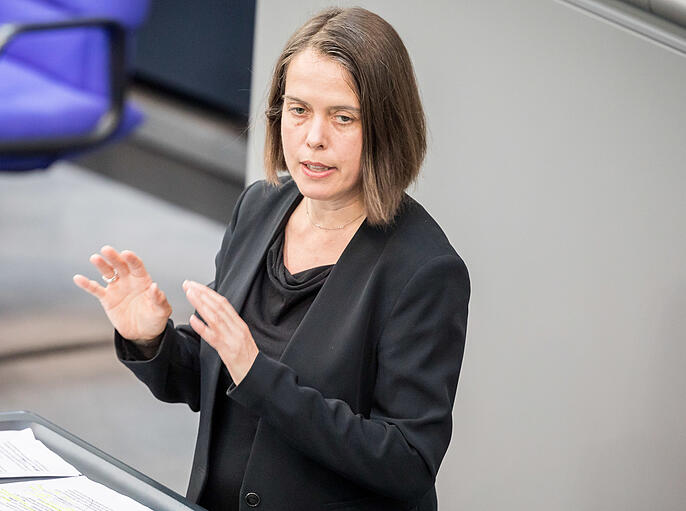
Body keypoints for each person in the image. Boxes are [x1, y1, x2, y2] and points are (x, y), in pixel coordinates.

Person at [73, 7, 470, 510]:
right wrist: (151, 338)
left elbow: (407, 462)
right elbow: (212, 377)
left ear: (387, 128)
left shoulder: (425, 271)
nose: (313, 137)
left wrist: (258, 373)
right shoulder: (258, 207)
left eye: (342, 117)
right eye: (298, 109)